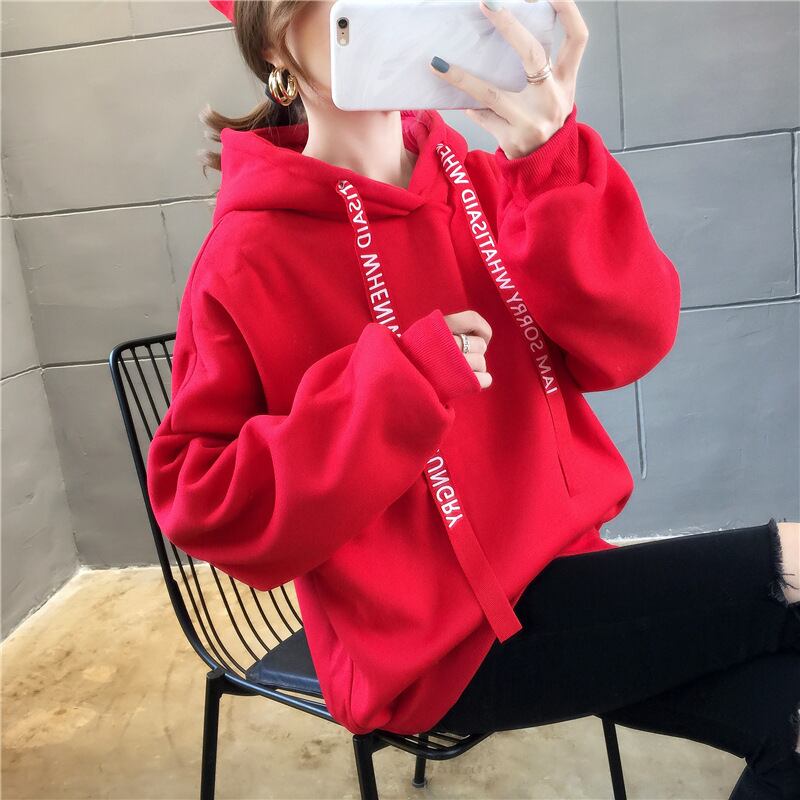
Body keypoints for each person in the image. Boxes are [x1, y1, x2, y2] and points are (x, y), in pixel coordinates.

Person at [145, 1, 800, 796]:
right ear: (277, 38)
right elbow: (202, 500)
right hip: (434, 648)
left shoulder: (491, 183)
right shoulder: (247, 256)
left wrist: (551, 164)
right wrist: (389, 390)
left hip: (569, 573)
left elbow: (632, 343)